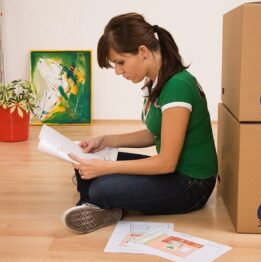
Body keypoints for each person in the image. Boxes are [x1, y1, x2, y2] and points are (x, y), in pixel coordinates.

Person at [61, 12, 218, 234]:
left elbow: (166, 163)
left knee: (100, 187)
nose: (117, 71)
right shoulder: (158, 81)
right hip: (172, 173)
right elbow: (153, 134)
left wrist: (107, 168)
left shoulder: (178, 86)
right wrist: (105, 141)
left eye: (120, 62)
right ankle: (95, 204)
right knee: (85, 159)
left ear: (143, 52)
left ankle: (94, 201)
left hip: (191, 185)